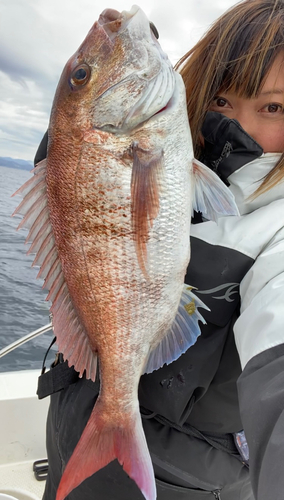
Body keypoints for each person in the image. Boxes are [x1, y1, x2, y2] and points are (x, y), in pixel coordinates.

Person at [36, 0, 284, 499]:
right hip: (72, 427)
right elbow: (66, 176)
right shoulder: (170, 143)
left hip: (186, 481)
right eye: (219, 99)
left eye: (274, 106)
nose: (243, 127)